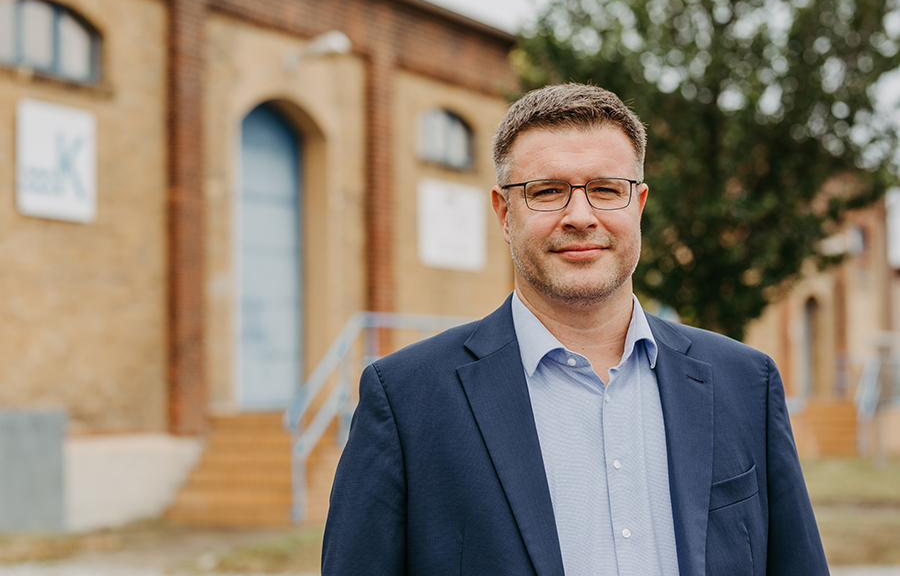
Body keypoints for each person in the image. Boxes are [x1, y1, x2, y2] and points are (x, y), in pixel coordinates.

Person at [322, 83, 829, 576]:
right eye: (548, 192)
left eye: (607, 190)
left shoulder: (746, 382)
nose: (581, 217)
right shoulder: (408, 400)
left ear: (640, 205)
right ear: (503, 213)